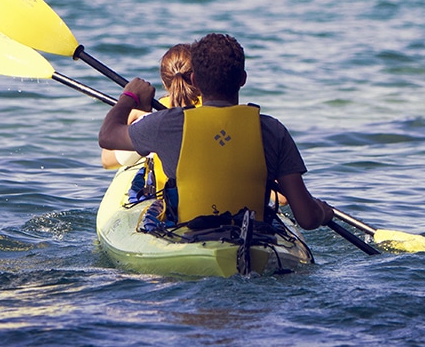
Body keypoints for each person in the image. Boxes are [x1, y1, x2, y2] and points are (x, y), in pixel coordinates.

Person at [98, 32, 333, 230]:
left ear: (195, 80)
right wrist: (323, 211)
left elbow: (107, 136)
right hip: (250, 237)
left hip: (187, 233)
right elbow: (307, 219)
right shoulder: (272, 130)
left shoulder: (166, 124)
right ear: (243, 79)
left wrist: (129, 97)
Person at [100, 43, 198, 170]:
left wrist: (136, 111)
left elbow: (107, 160)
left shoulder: (156, 125)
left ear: (165, 83)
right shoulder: (219, 111)